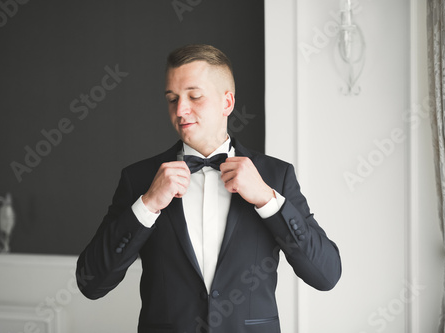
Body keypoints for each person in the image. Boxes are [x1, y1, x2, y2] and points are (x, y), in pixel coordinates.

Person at [76, 44, 341, 333]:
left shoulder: (276, 176)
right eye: (172, 98)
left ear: (227, 103)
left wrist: (267, 200)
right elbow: (91, 283)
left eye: (195, 96)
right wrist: (148, 204)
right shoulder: (139, 179)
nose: (180, 110)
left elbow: (325, 274)